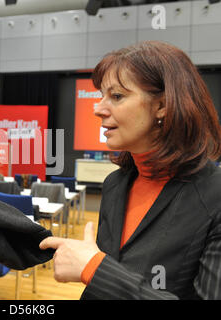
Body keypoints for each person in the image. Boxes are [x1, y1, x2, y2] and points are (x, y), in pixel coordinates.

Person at [40, 41, 221, 299]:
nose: (98, 109)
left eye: (116, 96)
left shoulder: (215, 196)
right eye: (101, 96)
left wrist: (94, 268)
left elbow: (104, 276)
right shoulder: (115, 184)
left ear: (162, 105)